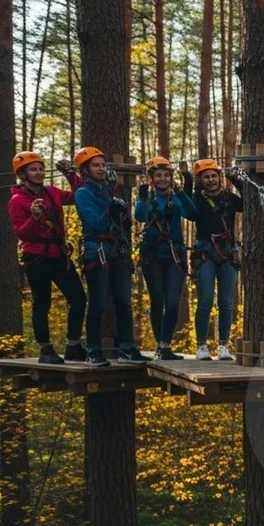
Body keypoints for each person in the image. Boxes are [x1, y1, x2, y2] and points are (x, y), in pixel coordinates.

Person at [73, 146, 150, 366]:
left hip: (118, 251)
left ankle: (127, 347)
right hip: (97, 250)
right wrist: (113, 214)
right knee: (97, 304)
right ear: (85, 170)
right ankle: (93, 350)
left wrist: (122, 214)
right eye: (96, 165)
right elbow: (95, 222)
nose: (101, 168)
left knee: (124, 303)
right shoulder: (83, 193)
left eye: (103, 164)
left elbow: (121, 222)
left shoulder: (110, 190)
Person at [8, 151, 87, 364]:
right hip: (36, 258)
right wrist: (34, 217)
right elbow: (21, 233)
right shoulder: (18, 200)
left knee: (79, 299)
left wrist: (71, 173)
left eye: (41, 168)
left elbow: (80, 195)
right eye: (33, 169)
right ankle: (45, 350)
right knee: (42, 304)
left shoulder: (52, 192)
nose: (39, 172)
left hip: (59, 256)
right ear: (23, 174)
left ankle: (73, 346)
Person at [135, 157, 197, 360]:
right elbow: (140, 216)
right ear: (152, 178)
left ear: (171, 177)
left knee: (172, 303)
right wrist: (142, 198)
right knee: (157, 300)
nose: (162, 179)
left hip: (174, 255)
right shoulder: (148, 197)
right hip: (152, 255)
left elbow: (193, 214)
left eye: (166, 175)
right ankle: (160, 346)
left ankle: (165, 345)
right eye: (158, 175)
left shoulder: (176, 197)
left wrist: (181, 192)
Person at [190, 159, 243, 360]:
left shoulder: (229, 198)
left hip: (228, 252)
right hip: (205, 253)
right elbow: (188, 212)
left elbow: (247, 203)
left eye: (214, 176)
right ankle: (201, 346)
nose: (211, 180)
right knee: (205, 300)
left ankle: (223, 346)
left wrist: (235, 180)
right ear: (200, 180)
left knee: (225, 301)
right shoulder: (196, 200)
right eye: (206, 177)